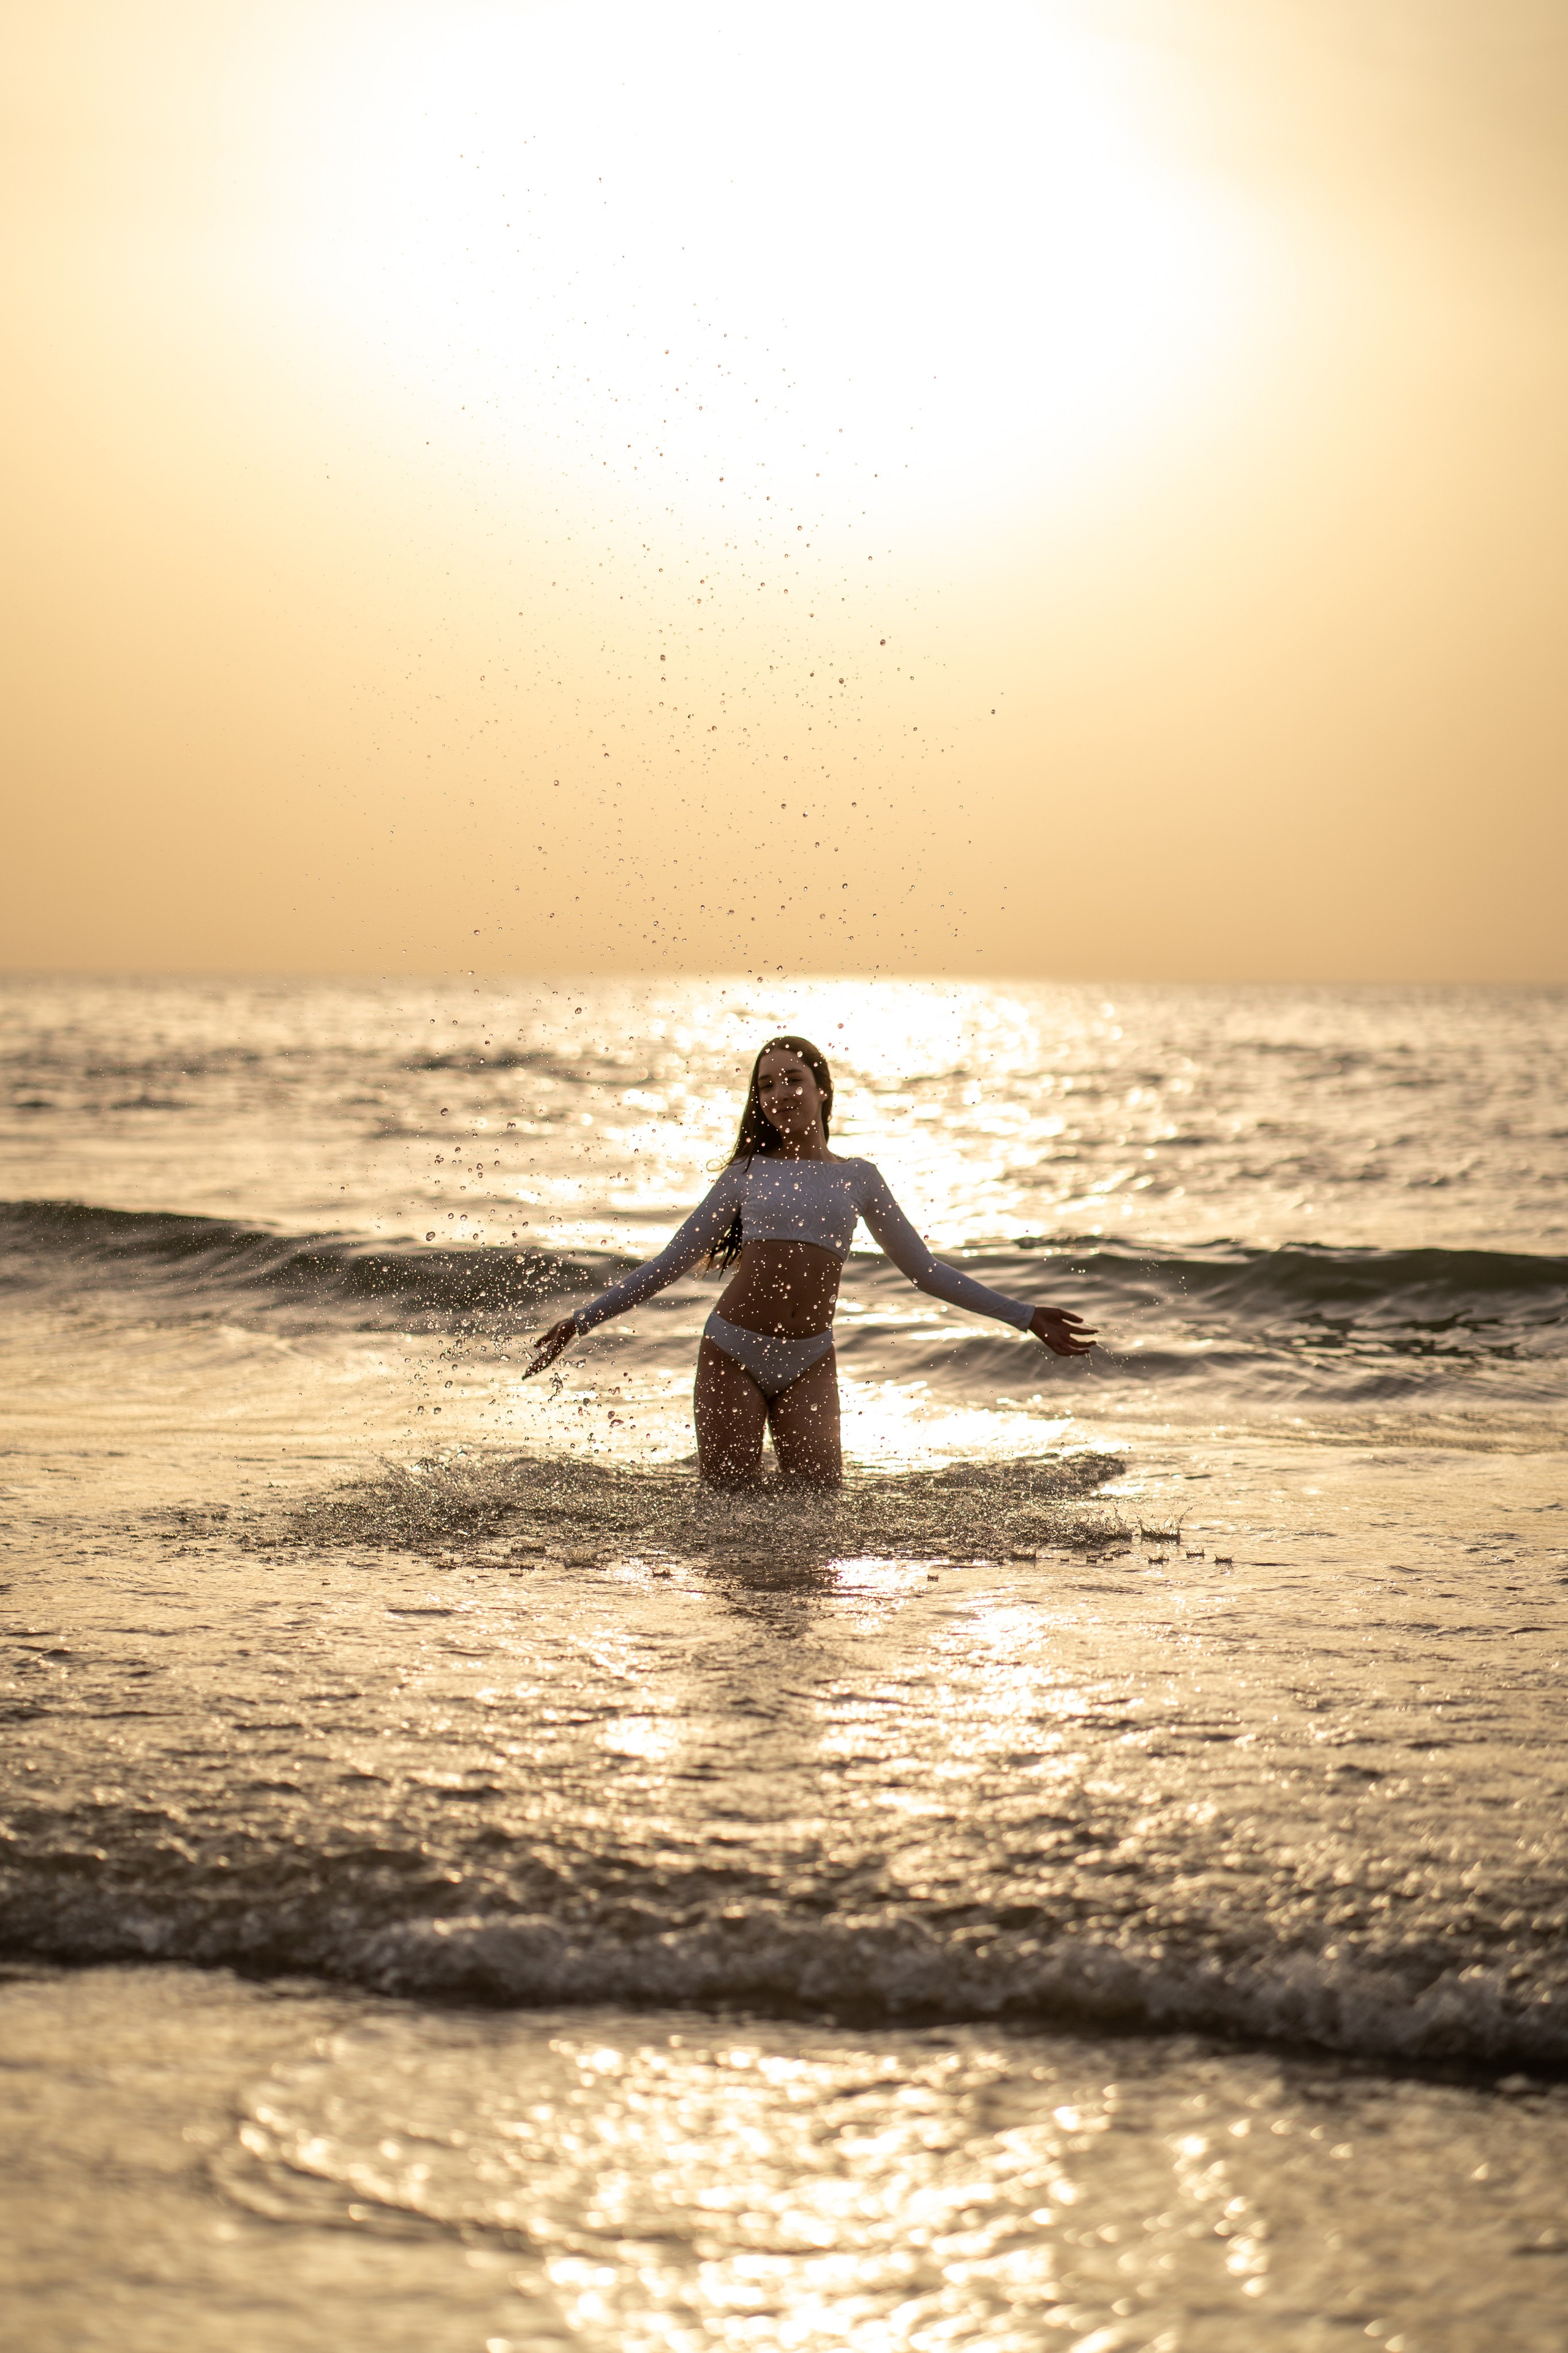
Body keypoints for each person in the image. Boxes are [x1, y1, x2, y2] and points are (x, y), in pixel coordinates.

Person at [523, 1035, 1096, 1484]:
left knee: (818, 1511)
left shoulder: (859, 1178)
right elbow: (672, 1261)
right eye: (766, 1085)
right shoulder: (746, 1174)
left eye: (793, 1079)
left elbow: (925, 1272)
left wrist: (1024, 1316)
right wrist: (583, 1320)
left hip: (811, 1359)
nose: (779, 1093)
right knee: (728, 1511)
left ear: (822, 1089)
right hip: (733, 1351)